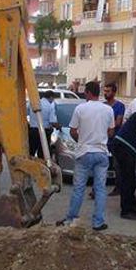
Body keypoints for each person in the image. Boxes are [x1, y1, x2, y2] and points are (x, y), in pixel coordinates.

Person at [59, 81, 114, 231]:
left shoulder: (80, 108)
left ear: (88, 93)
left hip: (84, 153)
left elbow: (72, 131)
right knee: (100, 189)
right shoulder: (108, 109)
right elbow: (111, 132)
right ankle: (98, 222)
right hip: (102, 153)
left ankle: (71, 219)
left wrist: (81, 140)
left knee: (78, 188)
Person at [103, 83, 125, 196]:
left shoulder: (119, 106)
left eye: (108, 91)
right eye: (104, 90)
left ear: (114, 92)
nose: (105, 93)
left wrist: (105, 126)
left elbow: (118, 122)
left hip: (115, 140)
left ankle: (118, 187)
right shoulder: (102, 105)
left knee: (117, 165)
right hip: (103, 140)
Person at [27, 90, 61, 159]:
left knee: (31, 152)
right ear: (51, 97)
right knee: (42, 154)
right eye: (53, 98)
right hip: (44, 133)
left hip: (32, 131)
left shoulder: (34, 103)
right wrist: (59, 126)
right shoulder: (50, 106)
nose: (53, 100)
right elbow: (53, 122)